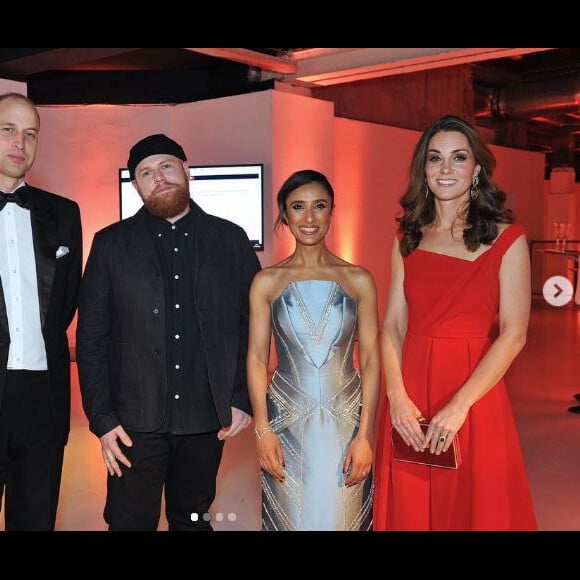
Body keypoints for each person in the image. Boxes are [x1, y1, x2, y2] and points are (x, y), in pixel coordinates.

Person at [76, 134, 261, 531]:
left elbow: (253, 327)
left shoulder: (231, 240)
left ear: (186, 171)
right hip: (131, 425)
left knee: (193, 521)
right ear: (136, 186)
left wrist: (242, 396)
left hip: (205, 419)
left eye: (166, 166)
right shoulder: (110, 245)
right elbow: (91, 339)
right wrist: (103, 419)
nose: (158, 178)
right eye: (146, 173)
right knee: (129, 523)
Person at [373, 115, 537, 531]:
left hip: (474, 390)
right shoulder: (407, 237)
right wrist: (397, 396)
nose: (446, 169)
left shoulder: (507, 238)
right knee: (411, 501)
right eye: (435, 158)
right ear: (423, 170)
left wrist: (461, 404)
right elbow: (392, 323)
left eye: (458, 158)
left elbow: (515, 333)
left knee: (471, 505)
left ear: (476, 169)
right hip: (410, 387)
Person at [247, 169, 380, 531]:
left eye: (319, 206)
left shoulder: (359, 279)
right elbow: (257, 358)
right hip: (285, 423)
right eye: (298, 207)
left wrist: (366, 436)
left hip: (347, 423)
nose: (309, 218)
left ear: (332, 212)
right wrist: (262, 429)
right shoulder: (266, 282)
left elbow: (370, 360)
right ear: (284, 215)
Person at [0, 92, 82, 530]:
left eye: (30, 133)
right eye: (8, 129)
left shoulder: (65, 214)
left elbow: (66, 304)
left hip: (43, 399)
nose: (20, 143)